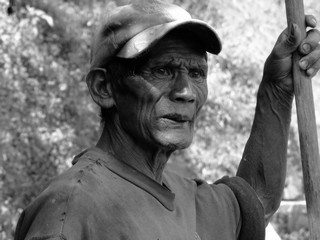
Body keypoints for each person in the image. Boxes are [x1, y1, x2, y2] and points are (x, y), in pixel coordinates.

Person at [14, 1, 320, 240]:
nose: (185, 92)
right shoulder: (72, 211)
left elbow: (257, 200)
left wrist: (276, 90)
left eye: (197, 73)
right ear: (104, 88)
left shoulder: (190, 201)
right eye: (162, 71)